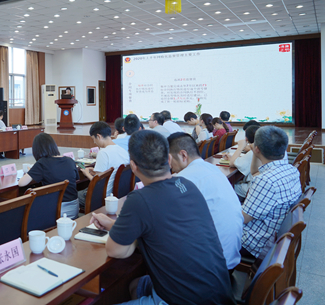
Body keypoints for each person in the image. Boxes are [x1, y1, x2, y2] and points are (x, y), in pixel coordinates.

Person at [90, 130, 235, 305]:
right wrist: (114, 225)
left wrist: (125, 230)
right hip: (219, 291)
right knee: (136, 286)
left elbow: (116, 251)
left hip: (185, 300)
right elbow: (161, 224)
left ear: (133, 166)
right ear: (169, 159)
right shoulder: (187, 185)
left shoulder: (139, 199)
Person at [168, 132, 243, 270]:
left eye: (169, 159)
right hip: (231, 260)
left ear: (183, 155)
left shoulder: (184, 179)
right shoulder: (214, 169)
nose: (169, 165)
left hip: (210, 270)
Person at [242, 126, 302, 259]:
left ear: (257, 148)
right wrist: (255, 152)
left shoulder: (265, 181)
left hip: (255, 243)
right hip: (275, 236)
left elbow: (243, 218)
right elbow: (255, 172)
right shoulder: (292, 170)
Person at [18, 133, 79, 218]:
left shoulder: (42, 163)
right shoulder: (70, 160)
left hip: (56, 212)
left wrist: (31, 172)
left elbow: (21, 183)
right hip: (74, 209)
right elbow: (76, 179)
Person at [78, 121, 130, 207]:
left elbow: (97, 184)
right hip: (120, 192)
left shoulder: (103, 153)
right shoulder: (122, 150)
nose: (94, 142)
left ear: (98, 136)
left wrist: (87, 173)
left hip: (104, 196)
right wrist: (96, 171)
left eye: (93, 139)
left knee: (75, 196)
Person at [226, 125, 260, 202]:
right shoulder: (261, 149)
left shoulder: (253, 153)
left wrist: (240, 147)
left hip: (250, 190)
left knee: (226, 186)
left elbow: (232, 163)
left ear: (246, 138)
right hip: (255, 187)